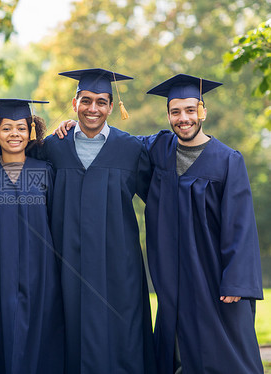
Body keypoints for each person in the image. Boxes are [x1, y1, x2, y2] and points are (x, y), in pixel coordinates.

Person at [143, 74, 263, 373]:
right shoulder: (159, 149)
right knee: (178, 347)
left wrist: (235, 279)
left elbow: (241, 225)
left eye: (190, 110)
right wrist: (72, 126)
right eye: (175, 112)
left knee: (226, 350)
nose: (183, 118)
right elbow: (116, 145)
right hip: (173, 275)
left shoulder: (227, 160)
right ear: (168, 115)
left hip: (213, 274)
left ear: (202, 111)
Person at [40, 68, 156, 373]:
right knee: (69, 329)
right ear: (75, 102)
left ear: (111, 106)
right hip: (66, 261)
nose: (94, 109)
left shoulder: (131, 149)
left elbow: (160, 198)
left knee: (122, 332)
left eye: (102, 102)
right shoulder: (53, 147)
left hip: (117, 263)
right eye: (87, 101)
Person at [0, 98, 64, 374]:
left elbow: (56, 222)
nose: (15, 134)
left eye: (21, 128)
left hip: (40, 272)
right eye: (6, 128)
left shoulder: (46, 172)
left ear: (31, 132)